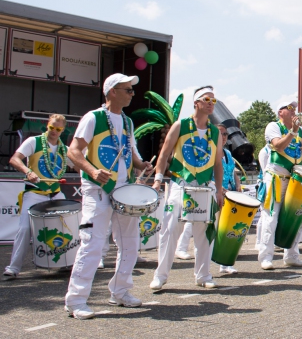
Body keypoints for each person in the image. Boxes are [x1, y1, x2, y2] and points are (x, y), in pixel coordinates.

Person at [64, 73, 153, 319]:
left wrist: (142, 164)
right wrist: (93, 171)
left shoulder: (127, 122)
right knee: (92, 244)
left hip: (124, 190)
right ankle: (76, 300)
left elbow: (130, 152)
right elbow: (73, 151)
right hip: (97, 189)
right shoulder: (93, 118)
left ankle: (120, 291)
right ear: (113, 91)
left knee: (130, 244)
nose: (132, 94)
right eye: (128, 90)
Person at [149, 85, 226, 291]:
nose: (211, 104)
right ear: (196, 103)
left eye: (213, 101)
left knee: (205, 232)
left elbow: (217, 164)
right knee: (170, 230)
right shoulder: (180, 125)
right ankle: (161, 275)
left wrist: (219, 190)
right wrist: (158, 179)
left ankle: (203, 275)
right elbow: (164, 154)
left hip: (205, 187)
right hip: (180, 183)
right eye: (207, 100)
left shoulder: (214, 132)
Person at [3, 114, 70, 280]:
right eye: (52, 127)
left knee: (69, 226)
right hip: (34, 193)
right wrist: (28, 172)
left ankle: (66, 262)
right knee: (25, 229)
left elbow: (79, 164)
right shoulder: (34, 142)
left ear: (63, 130)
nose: (54, 131)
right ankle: (13, 268)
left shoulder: (64, 149)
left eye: (58, 129)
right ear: (47, 125)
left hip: (56, 193)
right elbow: (15, 159)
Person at [257, 100, 302, 270]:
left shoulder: (301, 130)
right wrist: (293, 131)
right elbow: (278, 146)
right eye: (289, 108)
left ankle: (291, 255)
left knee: (294, 217)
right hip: (276, 178)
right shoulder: (273, 126)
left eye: (295, 108)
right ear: (280, 112)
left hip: (293, 179)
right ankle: (266, 257)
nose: (293, 111)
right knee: (271, 218)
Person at [175, 124, 241, 273]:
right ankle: (181, 248)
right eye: (220, 134)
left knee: (223, 227)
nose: (223, 137)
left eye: (225, 134)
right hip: (209, 191)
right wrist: (217, 187)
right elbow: (204, 173)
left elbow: (233, 172)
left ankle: (223, 263)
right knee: (195, 220)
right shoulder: (207, 151)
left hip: (227, 194)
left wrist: (237, 185)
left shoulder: (227, 154)